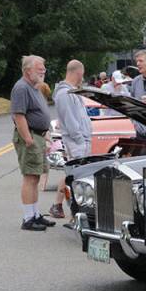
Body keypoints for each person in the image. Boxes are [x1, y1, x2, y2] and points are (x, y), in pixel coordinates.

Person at [10, 55, 56, 231]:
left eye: (44, 68)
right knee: (30, 177)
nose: (43, 71)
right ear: (28, 70)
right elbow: (18, 115)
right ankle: (28, 218)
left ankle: (35, 214)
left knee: (36, 176)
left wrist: (44, 134)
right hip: (30, 137)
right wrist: (28, 139)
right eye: (39, 69)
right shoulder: (21, 88)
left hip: (38, 136)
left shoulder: (34, 86)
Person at [49, 59, 94, 218]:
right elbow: (70, 120)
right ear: (79, 73)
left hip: (79, 140)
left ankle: (58, 206)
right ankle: (74, 210)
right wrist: (80, 139)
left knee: (71, 173)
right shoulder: (64, 94)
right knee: (76, 177)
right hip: (76, 141)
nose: (83, 77)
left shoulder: (71, 92)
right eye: (83, 74)